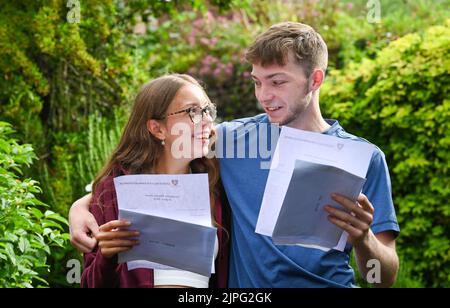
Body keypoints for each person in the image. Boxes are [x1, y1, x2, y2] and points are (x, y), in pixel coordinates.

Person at [70, 22, 399, 288]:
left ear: (315, 80)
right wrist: (82, 205)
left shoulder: (364, 157)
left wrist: (363, 238)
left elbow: (383, 278)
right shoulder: (229, 140)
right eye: (257, 82)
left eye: (277, 81)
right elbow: (154, 163)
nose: (264, 96)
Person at [80, 74, 229, 288]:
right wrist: (106, 256)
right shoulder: (114, 191)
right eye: (192, 111)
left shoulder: (216, 185)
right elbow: (89, 284)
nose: (207, 121)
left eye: (207, 110)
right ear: (157, 128)